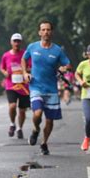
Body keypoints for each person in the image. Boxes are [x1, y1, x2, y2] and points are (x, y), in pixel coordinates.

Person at [22, 20, 71, 155]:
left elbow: (68, 64)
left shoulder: (57, 50)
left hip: (52, 90)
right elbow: (23, 59)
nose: (46, 32)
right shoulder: (32, 47)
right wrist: (25, 72)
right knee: (37, 113)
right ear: (39, 32)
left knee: (49, 120)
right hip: (36, 87)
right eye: (43, 30)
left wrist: (64, 67)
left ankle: (44, 143)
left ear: (52, 32)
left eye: (48, 29)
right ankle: (35, 129)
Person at [0, 33, 30, 139]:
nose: (16, 43)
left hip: (23, 86)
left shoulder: (25, 54)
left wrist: (24, 70)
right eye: (15, 41)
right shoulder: (6, 55)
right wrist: (5, 73)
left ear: (21, 42)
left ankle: (19, 128)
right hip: (11, 85)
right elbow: (2, 67)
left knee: (22, 110)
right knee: (12, 106)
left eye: (18, 41)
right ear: (11, 42)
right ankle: (12, 123)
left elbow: (30, 66)